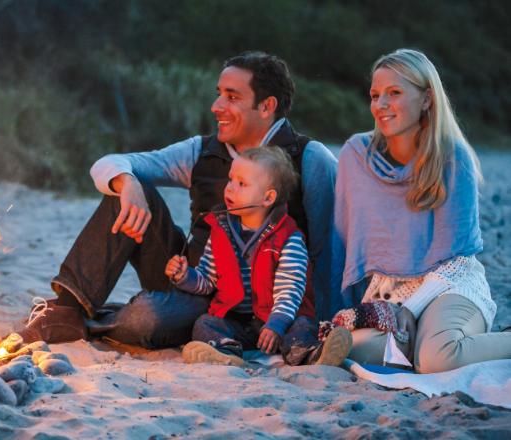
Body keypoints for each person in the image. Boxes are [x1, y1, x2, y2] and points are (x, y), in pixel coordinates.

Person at [19, 51, 338, 349]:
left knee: (146, 319)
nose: (216, 106)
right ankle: (67, 311)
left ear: (267, 106)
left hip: (270, 303)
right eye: (219, 93)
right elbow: (110, 163)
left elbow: (329, 251)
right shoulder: (201, 151)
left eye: (232, 97)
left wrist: (321, 323)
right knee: (124, 193)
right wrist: (128, 182)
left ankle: (98, 321)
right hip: (193, 281)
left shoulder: (310, 159)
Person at [332, 48, 511, 373]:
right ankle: (421, 341)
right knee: (350, 347)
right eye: (375, 95)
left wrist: (411, 310)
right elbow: (343, 241)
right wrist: (345, 310)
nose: (381, 105)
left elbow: (457, 260)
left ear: (427, 99)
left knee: (437, 358)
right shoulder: (356, 154)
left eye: (394, 93)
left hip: (449, 285)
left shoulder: (453, 158)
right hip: (388, 292)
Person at [164, 146, 351, 366]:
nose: (230, 188)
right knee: (205, 323)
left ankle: (314, 355)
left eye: (241, 184)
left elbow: (290, 291)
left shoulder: (288, 238)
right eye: (231, 180)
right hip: (238, 321)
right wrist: (185, 276)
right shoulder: (220, 230)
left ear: (268, 197)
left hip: (281, 319)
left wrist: (276, 325)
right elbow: (208, 281)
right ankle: (226, 352)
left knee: (301, 327)